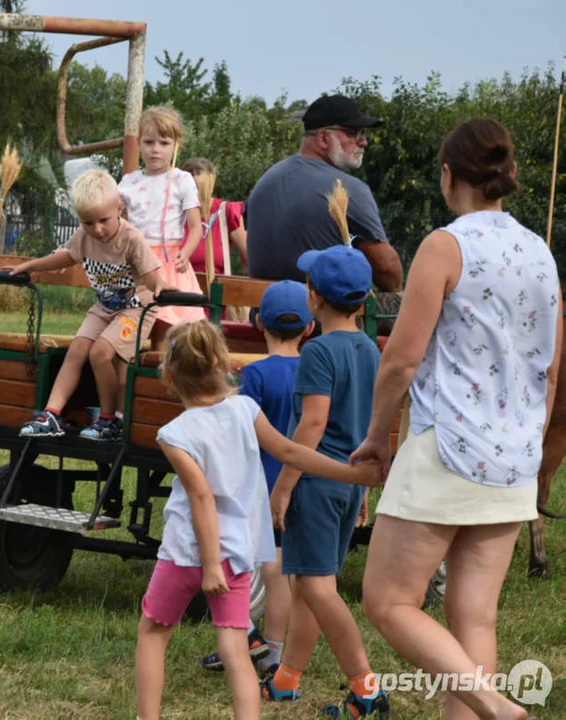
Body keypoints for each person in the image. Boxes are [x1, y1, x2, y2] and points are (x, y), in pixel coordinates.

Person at [352, 118, 561, 720]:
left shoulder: (447, 245)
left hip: (448, 447)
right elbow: (548, 372)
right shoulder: (542, 252)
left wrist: (375, 437)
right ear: (507, 175)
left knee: (389, 601)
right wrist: (532, 444)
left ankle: (497, 708)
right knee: (474, 619)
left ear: (448, 176)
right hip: (515, 456)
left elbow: (401, 359)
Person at [136, 320, 381, 720]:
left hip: (185, 554)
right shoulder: (247, 410)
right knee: (235, 648)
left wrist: (207, 563)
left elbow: (200, 497)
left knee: (153, 631)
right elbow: (291, 452)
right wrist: (354, 475)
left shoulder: (173, 434)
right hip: (235, 555)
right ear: (226, 364)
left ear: (167, 374)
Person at [262, 245, 389, 718]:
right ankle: (285, 680)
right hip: (348, 482)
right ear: (362, 300)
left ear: (313, 297)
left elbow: (311, 426)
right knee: (308, 587)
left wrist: (284, 484)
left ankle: (366, 689)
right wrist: (361, 491)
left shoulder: (316, 351)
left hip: (316, 483)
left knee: (317, 590)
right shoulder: (370, 348)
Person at [199, 280, 313, 676]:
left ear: (258, 323)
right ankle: (275, 650)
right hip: (305, 482)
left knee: (235, 564)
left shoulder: (255, 375)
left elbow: (237, 433)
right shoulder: (316, 371)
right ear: (310, 327)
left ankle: (242, 636)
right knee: (280, 570)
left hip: (259, 488)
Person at [9, 170, 172, 442]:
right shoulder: (85, 237)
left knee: (100, 353)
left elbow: (152, 275)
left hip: (136, 310)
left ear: (119, 209)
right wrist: (30, 266)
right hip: (105, 307)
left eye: (104, 220)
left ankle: (109, 420)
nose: (97, 229)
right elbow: (64, 257)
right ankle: (51, 415)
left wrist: (161, 287)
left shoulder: (131, 239)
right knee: (77, 349)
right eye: (88, 222)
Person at [245, 94, 403, 331]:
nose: (363, 142)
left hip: (265, 313)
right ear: (322, 138)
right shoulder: (347, 189)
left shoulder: (264, 182)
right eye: (353, 134)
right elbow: (387, 269)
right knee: (415, 304)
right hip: (321, 317)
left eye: (363, 135)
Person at [118, 106, 205, 344]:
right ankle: (133, 379)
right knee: (133, 332)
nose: (156, 149)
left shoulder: (182, 180)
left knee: (167, 332)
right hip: (139, 262)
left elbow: (196, 226)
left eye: (164, 143)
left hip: (171, 262)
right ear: (139, 143)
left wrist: (186, 253)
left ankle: (162, 376)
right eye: (149, 142)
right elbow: (117, 223)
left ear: (176, 145)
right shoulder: (129, 182)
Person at [181, 157, 249, 279]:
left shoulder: (225, 212)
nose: (199, 195)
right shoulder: (173, 215)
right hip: (177, 292)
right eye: (194, 189)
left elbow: (250, 261)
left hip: (215, 293)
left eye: (203, 189)